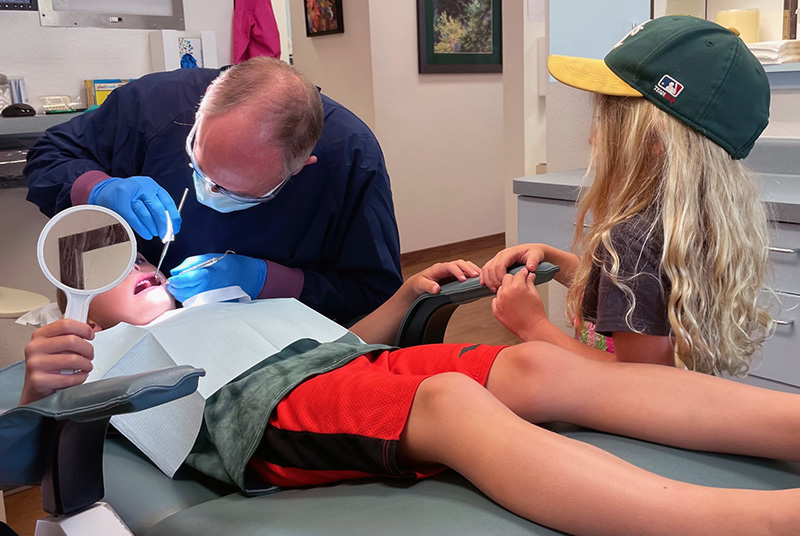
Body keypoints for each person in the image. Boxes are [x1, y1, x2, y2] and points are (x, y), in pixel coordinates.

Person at [19, 246, 800, 535]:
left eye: (151, 265)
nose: (148, 272)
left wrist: (404, 298)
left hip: (337, 366)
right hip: (251, 410)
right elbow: (19, 447)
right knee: (452, 406)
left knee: (537, 365)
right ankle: (761, 522)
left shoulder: (233, 304)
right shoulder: (100, 348)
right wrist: (34, 384)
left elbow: (345, 340)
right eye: (125, 278)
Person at [482, 16, 774, 374]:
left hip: (622, 424)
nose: (592, 138)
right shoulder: (691, 222)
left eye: (604, 121)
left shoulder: (632, 238)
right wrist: (552, 259)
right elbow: (635, 297)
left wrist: (534, 327)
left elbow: (639, 382)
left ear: (653, 140)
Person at [24, 57, 402, 323]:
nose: (208, 191)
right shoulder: (153, 105)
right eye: (200, 166)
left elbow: (374, 293)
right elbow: (48, 156)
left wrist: (269, 281)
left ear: (302, 167)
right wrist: (98, 188)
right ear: (200, 111)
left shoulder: (350, 157)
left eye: (239, 191)